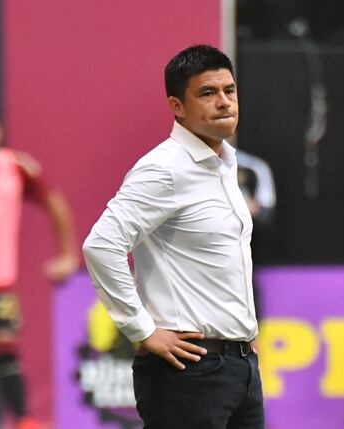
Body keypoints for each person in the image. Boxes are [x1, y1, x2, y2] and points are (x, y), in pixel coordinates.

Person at [82, 45, 264, 429]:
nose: (223, 102)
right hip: (188, 371)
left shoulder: (226, 165)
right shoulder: (164, 169)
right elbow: (101, 245)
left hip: (242, 366)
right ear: (177, 106)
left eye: (229, 90)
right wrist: (142, 329)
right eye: (207, 93)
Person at [0, 105, 79, 429]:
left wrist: (67, 253)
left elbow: (54, 202)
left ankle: (24, 419)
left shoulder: (17, 169)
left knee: (5, 346)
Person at [235, 147, 276, 320]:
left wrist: (248, 210)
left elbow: (264, 215)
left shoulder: (251, 167)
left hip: (242, 263)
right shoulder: (181, 166)